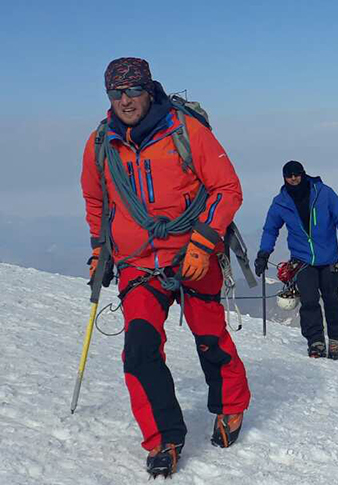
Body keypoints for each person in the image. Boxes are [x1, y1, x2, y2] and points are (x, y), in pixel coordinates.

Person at [81, 57, 250, 477]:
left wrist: (204, 241)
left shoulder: (184, 131)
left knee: (210, 337)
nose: (124, 100)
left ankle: (230, 404)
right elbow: (97, 202)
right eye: (115, 93)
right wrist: (99, 250)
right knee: (139, 351)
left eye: (132, 90)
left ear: (148, 89)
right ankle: (163, 438)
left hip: (194, 254)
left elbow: (227, 188)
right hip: (139, 264)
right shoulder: (101, 143)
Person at [255, 161, 338, 359]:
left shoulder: (323, 193)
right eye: (289, 175)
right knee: (309, 301)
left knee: (332, 300)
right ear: (284, 177)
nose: (294, 178)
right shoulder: (280, 202)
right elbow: (270, 229)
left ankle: (335, 339)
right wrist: (263, 253)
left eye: (297, 174)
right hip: (302, 260)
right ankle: (315, 341)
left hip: (328, 258)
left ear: (303, 174)